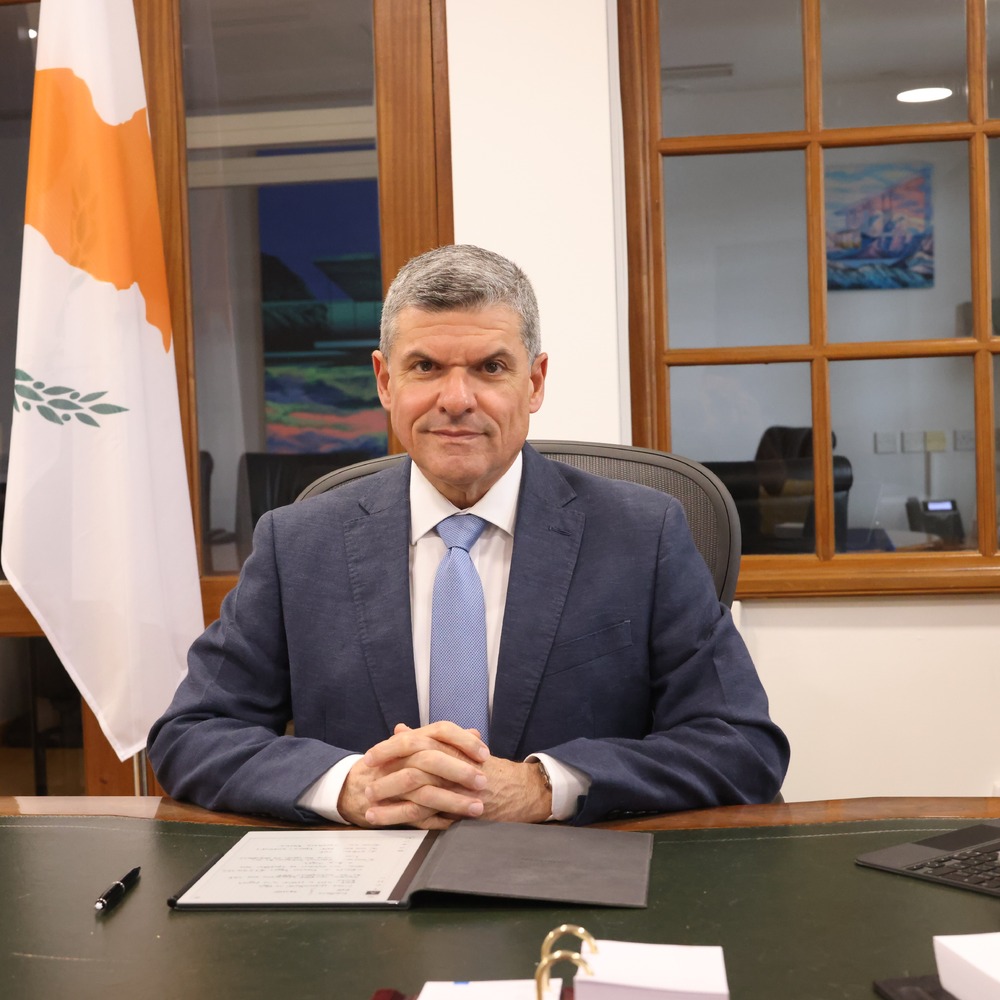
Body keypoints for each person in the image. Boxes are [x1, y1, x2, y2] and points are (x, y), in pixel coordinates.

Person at [148, 244, 789, 828]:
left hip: (571, 883)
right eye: (425, 366)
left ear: (534, 383)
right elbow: (192, 733)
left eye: (490, 367)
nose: (456, 399)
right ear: (385, 381)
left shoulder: (643, 535)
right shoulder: (297, 544)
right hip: (362, 889)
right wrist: (347, 787)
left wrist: (545, 787)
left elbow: (741, 744)